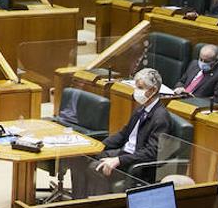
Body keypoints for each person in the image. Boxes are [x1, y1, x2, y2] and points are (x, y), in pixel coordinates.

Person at [67, 68, 169, 198]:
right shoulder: (141, 108)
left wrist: (118, 160)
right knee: (79, 157)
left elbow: (151, 152)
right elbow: (123, 135)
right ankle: (77, 203)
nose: (136, 91)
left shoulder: (160, 117)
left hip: (135, 164)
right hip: (123, 153)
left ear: (153, 90)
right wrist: (97, 146)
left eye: (140, 87)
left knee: (95, 168)